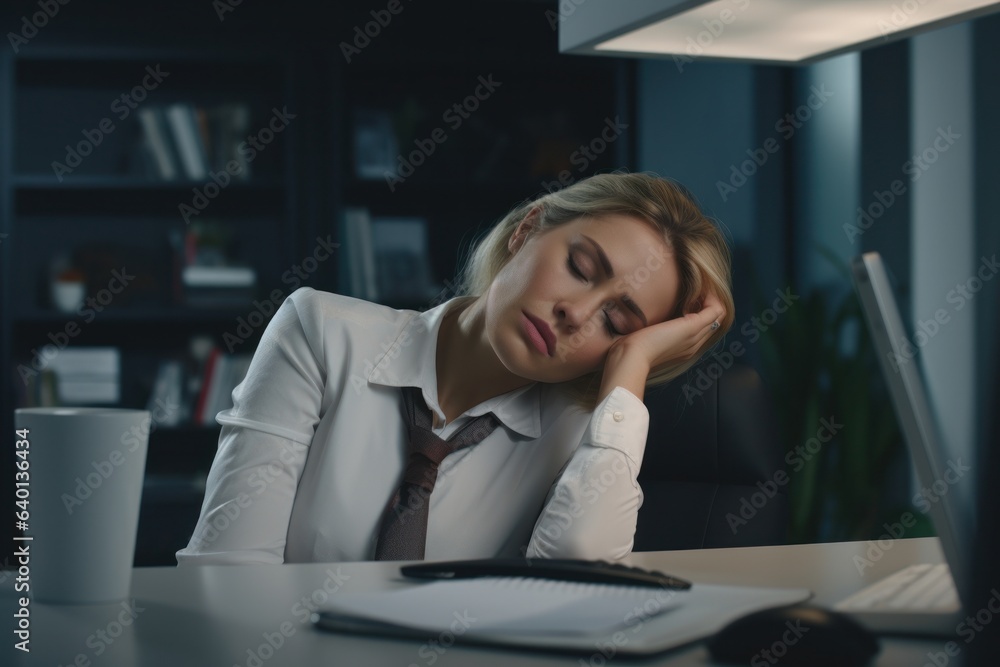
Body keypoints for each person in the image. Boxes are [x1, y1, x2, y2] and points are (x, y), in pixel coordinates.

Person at [175, 171, 734, 566]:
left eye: (616, 322)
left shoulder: (581, 439)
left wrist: (630, 368)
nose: (576, 314)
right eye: (580, 267)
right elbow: (227, 576)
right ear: (528, 230)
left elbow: (576, 593)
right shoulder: (320, 334)